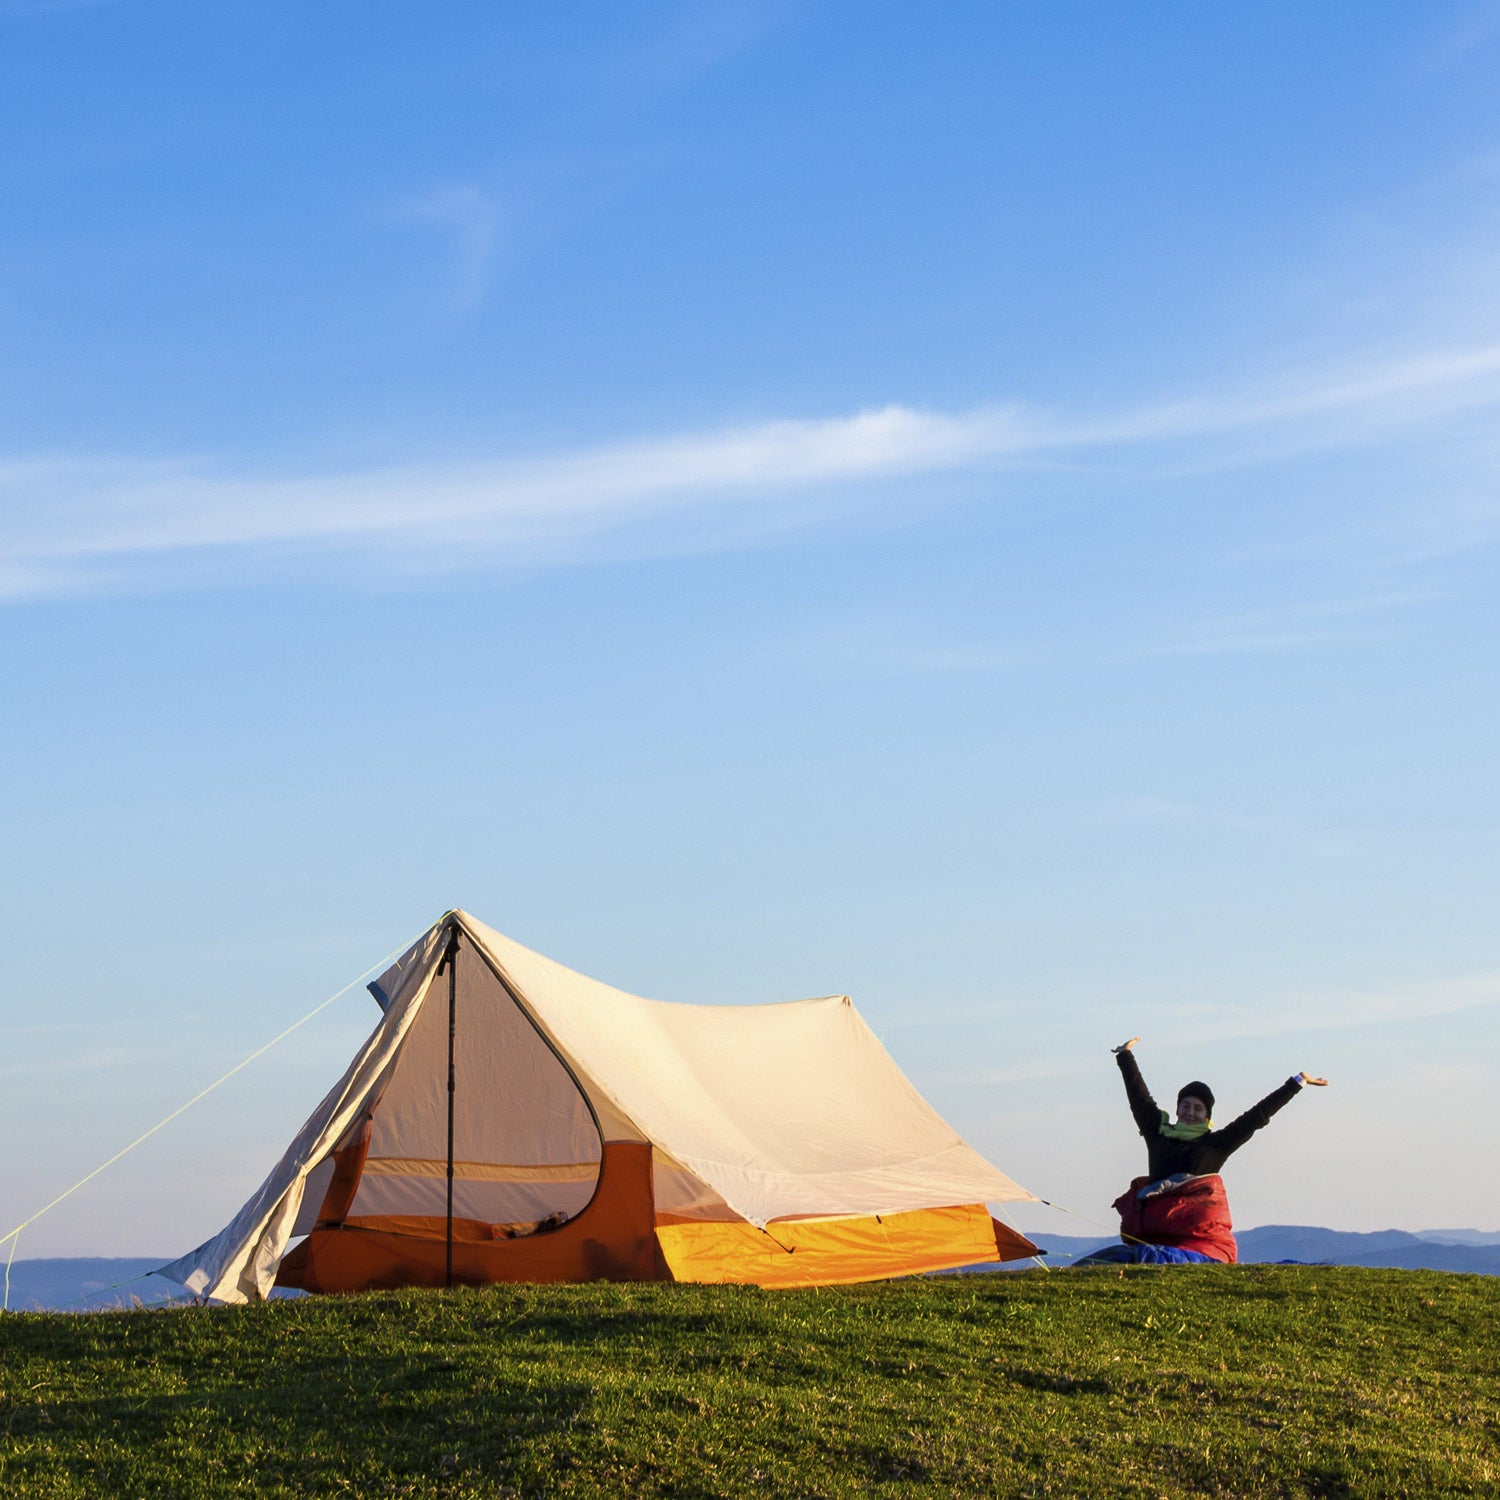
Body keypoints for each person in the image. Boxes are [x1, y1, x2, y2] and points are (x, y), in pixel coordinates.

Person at [1075, 1037, 1328, 1266]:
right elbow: (1139, 1099)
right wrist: (1125, 1056)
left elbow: (1257, 1117)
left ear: (1207, 1116)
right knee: (1111, 1256)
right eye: (1185, 1106)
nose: (1190, 1112)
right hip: (1162, 1238)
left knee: (1139, 1258)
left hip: (1203, 1247)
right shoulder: (1158, 1134)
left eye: (1198, 1108)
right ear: (1177, 1109)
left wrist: (1297, 1083)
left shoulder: (1216, 1144)